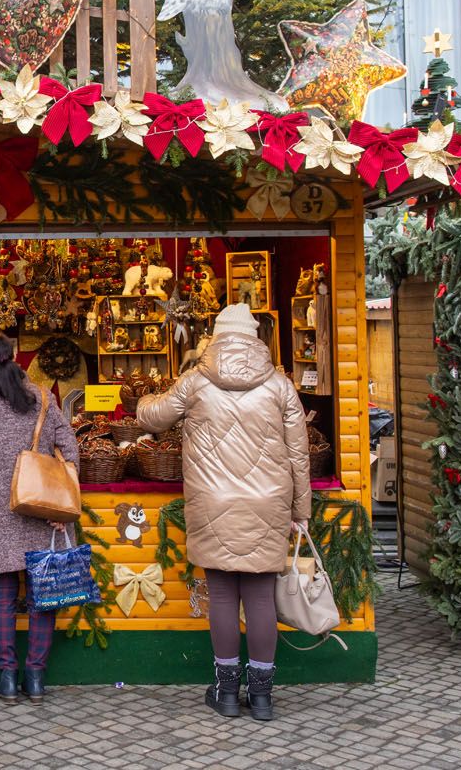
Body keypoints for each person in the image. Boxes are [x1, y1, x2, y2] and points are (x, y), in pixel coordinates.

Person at [136, 303, 308, 722]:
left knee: (224, 598)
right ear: (254, 338)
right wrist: (301, 510)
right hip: (268, 503)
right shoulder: (280, 385)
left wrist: (143, 398)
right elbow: (299, 454)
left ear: (216, 335)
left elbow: (153, 417)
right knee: (262, 599)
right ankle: (263, 698)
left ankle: (227, 693)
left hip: (212, 502)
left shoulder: (195, 380)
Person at [0, 330, 79, 702]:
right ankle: (36, 678)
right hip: (43, 508)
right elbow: (70, 448)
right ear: (15, 357)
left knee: (3, 596)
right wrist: (65, 506)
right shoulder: (43, 397)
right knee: (44, 595)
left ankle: (7, 677)